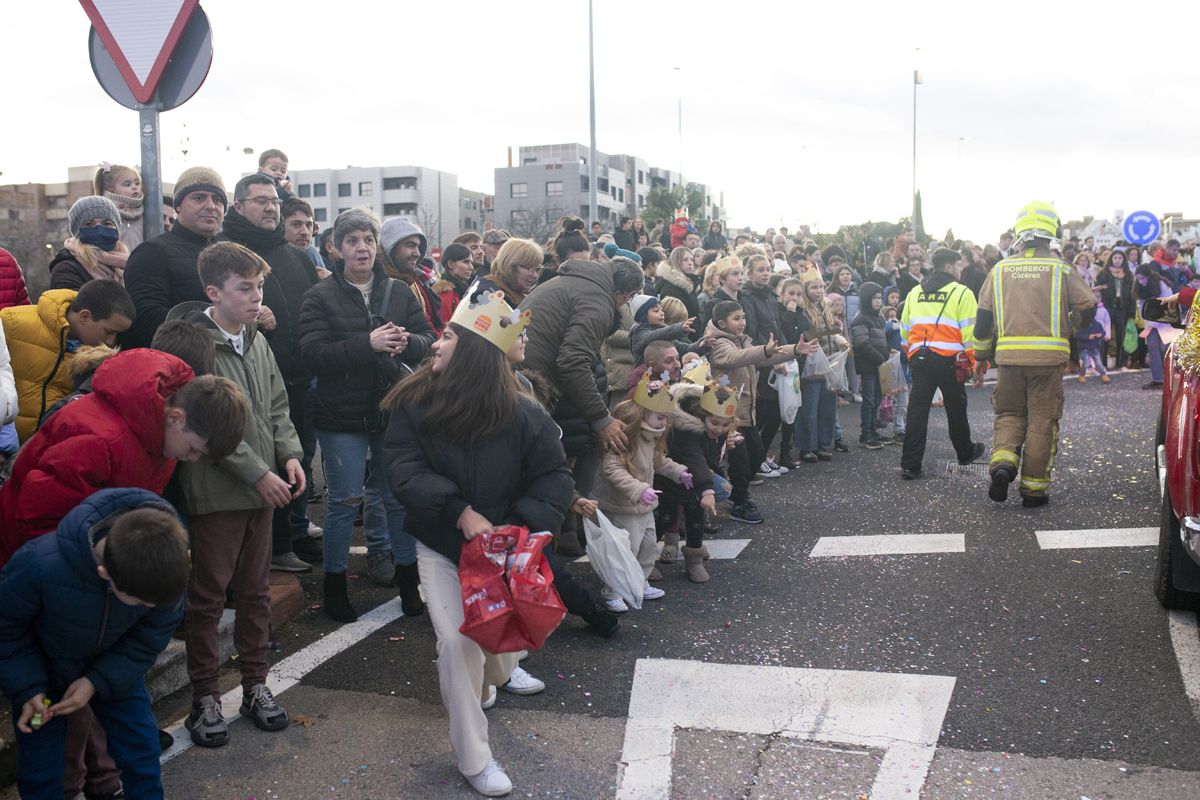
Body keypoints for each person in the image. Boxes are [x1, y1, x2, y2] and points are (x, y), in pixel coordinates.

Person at [383, 291, 572, 797]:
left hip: (505, 551)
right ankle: (475, 758)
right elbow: (402, 468)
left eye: (447, 335)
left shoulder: (525, 413)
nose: (436, 342)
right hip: (442, 545)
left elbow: (554, 478)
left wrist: (518, 529)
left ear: (473, 352)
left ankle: (497, 674)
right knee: (458, 642)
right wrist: (459, 512)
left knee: (495, 636)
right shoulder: (413, 401)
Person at [175, 242, 304, 748]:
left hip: (262, 492)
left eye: (259, 287)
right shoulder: (196, 345)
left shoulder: (255, 340)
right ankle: (204, 697)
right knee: (208, 599)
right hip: (217, 492)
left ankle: (255, 686)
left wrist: (289, 453)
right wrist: (256, 474)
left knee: (255, 594)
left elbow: (276, 402)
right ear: (213, 292)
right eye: (244, 288)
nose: (256, 298)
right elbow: (205, 425)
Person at [0, 488, 190, 800]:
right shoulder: (38, 565)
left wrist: (95, 681)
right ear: (105, 574)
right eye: (140, 602)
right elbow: (5, 628)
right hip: (42, 681)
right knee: (40, 763)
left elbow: (149, 638)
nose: (149, 606)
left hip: (115, 673)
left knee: (141, 749)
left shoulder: (166, 571)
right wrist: (27, 687)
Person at [299, 209, 433, 621]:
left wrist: (407, 341)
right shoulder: (319, 296)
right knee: (344, 501)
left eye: (368, 240)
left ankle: (410, 584)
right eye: (353, 240)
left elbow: (428, 339)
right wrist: (367, 343)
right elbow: (311, 354)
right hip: (340, 414)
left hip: (391, 407)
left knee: (395, 499)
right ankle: (335, 587)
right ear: (336, 249)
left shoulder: (397, 290)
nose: (362, 248)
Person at [219, 173, 322, 571]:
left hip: (300, 378)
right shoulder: (227, 252)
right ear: (239, 207)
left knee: (298, 458)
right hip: (250, 379)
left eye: (275, 201)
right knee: (264, 462)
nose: (271, 208)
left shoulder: (297, 256)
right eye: (261, 201)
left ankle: (294, 535)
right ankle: (272, 547)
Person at [973, 202, 1094, 506]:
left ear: (1020, 232)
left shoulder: (1000, 269)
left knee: (1009, 414)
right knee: (1042, 421)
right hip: (1048, 361)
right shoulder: (1062, 269)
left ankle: (1003, 465)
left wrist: (980, 356)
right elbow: (1088, 306)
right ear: (1051, 233)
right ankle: (1033, 490)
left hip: (1009, 360)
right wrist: (1072, 326)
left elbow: (983, 318)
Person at [706, 300, 808, 523]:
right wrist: (762, 350)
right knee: (742, 461)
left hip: (745, 412)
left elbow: (762, 357)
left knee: (755, 456)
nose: (742, 322)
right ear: (722, 323)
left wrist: (794, 351)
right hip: (728, 416)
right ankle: (739, 501)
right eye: (737, 318)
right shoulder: (718, 343)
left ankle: (735, 492)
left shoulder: (743, 341)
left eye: (743, 317)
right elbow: (738, 358)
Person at [595, 374, 691, 610]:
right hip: (623, 505)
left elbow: (658, 461)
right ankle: (613, 591)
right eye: (660, 418)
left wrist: (679, 472)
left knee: (648, 547)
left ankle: (640, 581)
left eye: (666, 419)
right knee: (622, 550)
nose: (664, 424)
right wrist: (638, 490)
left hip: (643, 506)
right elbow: (612, 468)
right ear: (642, 414)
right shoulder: (626, 438)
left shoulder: (651, 437)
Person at [2, 279, 134, 442]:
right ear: (84, 316)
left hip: (46, 448)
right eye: (108, 332)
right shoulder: (12, 323)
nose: (111, 342)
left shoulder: (97, 358)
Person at [898, 247, 985, 480]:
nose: (960, 269)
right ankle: (965, 453)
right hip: (949, 361)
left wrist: (911, 354)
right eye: (958, 265)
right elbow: (970, 334)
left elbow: (905, 329)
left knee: (917, 411)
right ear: (948, 266)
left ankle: (910, 464)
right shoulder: (962, 293)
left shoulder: (915, 292)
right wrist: (978, 365)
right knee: (956, 409)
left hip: (920, 358)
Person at [122, 166, 227, 348]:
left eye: (217, 200)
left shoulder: (230, 254)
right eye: (199, 197)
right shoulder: (151, 253)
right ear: (178, 206)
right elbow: (145, 320)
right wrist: (215, 322)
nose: (211, 206)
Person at [660, 373, 738, 582]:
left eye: (724, 425)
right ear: (702, 415)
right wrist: (707, 488)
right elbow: (694, 459)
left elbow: (710, 458)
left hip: (696, 479)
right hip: (672, 476)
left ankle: (693, 559)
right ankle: (647, 559)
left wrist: (712, 478)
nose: (719, 429)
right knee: (664, 517)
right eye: (714, 423)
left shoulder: (718, 430)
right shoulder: (687, 431)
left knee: (696, 517)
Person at [49, 196, 129, 289]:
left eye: (107, 224)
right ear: (77, 233)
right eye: (89, 224)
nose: (99, 229)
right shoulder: (65, 269)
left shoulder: (130, 264)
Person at [381, 218, 442, 332]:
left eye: (418, 247)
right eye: (410, 245)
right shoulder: (373, 282)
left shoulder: (413, 282)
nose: (417, 253)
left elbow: (425, 330)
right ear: (390, 246)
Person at [850, 282, 891, 449]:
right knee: (868, 400)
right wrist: (880, 357)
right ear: (866, 299)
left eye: (880, 298)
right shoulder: (860, 318)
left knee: (876, 398)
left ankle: (873, 430)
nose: (878, 301)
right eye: (874, 298)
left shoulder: (879, 316)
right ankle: (865, 433)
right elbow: (861, 343)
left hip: (879, 363)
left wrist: (887, 352)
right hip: (868, 365)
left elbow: (882, 339)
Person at [469, 237, 544, 308]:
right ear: (509, 265)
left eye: (537, 269)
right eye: (529, 268)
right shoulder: (486, 294)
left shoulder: (515, 293)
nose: (535, 275)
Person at [628, 294, 696, 366]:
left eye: (661, 310)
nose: (662, 313)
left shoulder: (672, 336)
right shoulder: (640, 333)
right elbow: (654, 335)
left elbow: (686, 349)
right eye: (656, 311)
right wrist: (679, 328)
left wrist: (703, 345)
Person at [1095, 249, 1135, 370]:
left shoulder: (1128, 275)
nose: (1118, 260)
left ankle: (1121, 363)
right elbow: (1098, 290)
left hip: (1122, 307)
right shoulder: (1104, 273)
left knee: (1121, 335)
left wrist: (1131, 312)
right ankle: (1101, 363)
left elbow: (1132, 294)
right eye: (1115, 258)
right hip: (1106, 308)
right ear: (1111, 259)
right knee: (1104, 335)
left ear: (1123, 260)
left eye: (1120, 258)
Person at [94, 163, 144, 251]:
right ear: (110, 189)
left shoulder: (146, 212)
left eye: (137, 183)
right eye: (127, 184)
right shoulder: (104, 216)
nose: (134, 187)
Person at [281, 197, 328, 276]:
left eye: (309, 225)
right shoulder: (271, 258)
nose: (305, 232)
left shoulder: (311, 253)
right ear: (281, 226)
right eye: (296, 224)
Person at [432, 242, 475, 328]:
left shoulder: (462, 288)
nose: (471, 267)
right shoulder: (444, 292)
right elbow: (445, 327)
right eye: (466, 262)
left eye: (471, 262)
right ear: (451, 264)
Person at [655, 246, 702, 321]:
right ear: (676, 262)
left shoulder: (688, 284)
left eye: (691, 260)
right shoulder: (671, 288)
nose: (690, 263)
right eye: (685, 260)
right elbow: (674, 319)